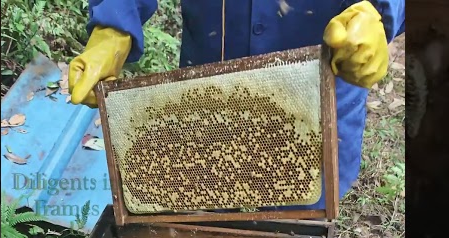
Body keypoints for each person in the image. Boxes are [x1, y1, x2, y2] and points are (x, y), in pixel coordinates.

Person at [67, 0, 406, 209]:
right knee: (198, 216)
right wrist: (114, 24)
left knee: (296, 236)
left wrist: (383, 12)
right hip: (207, 96)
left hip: (317, 101)